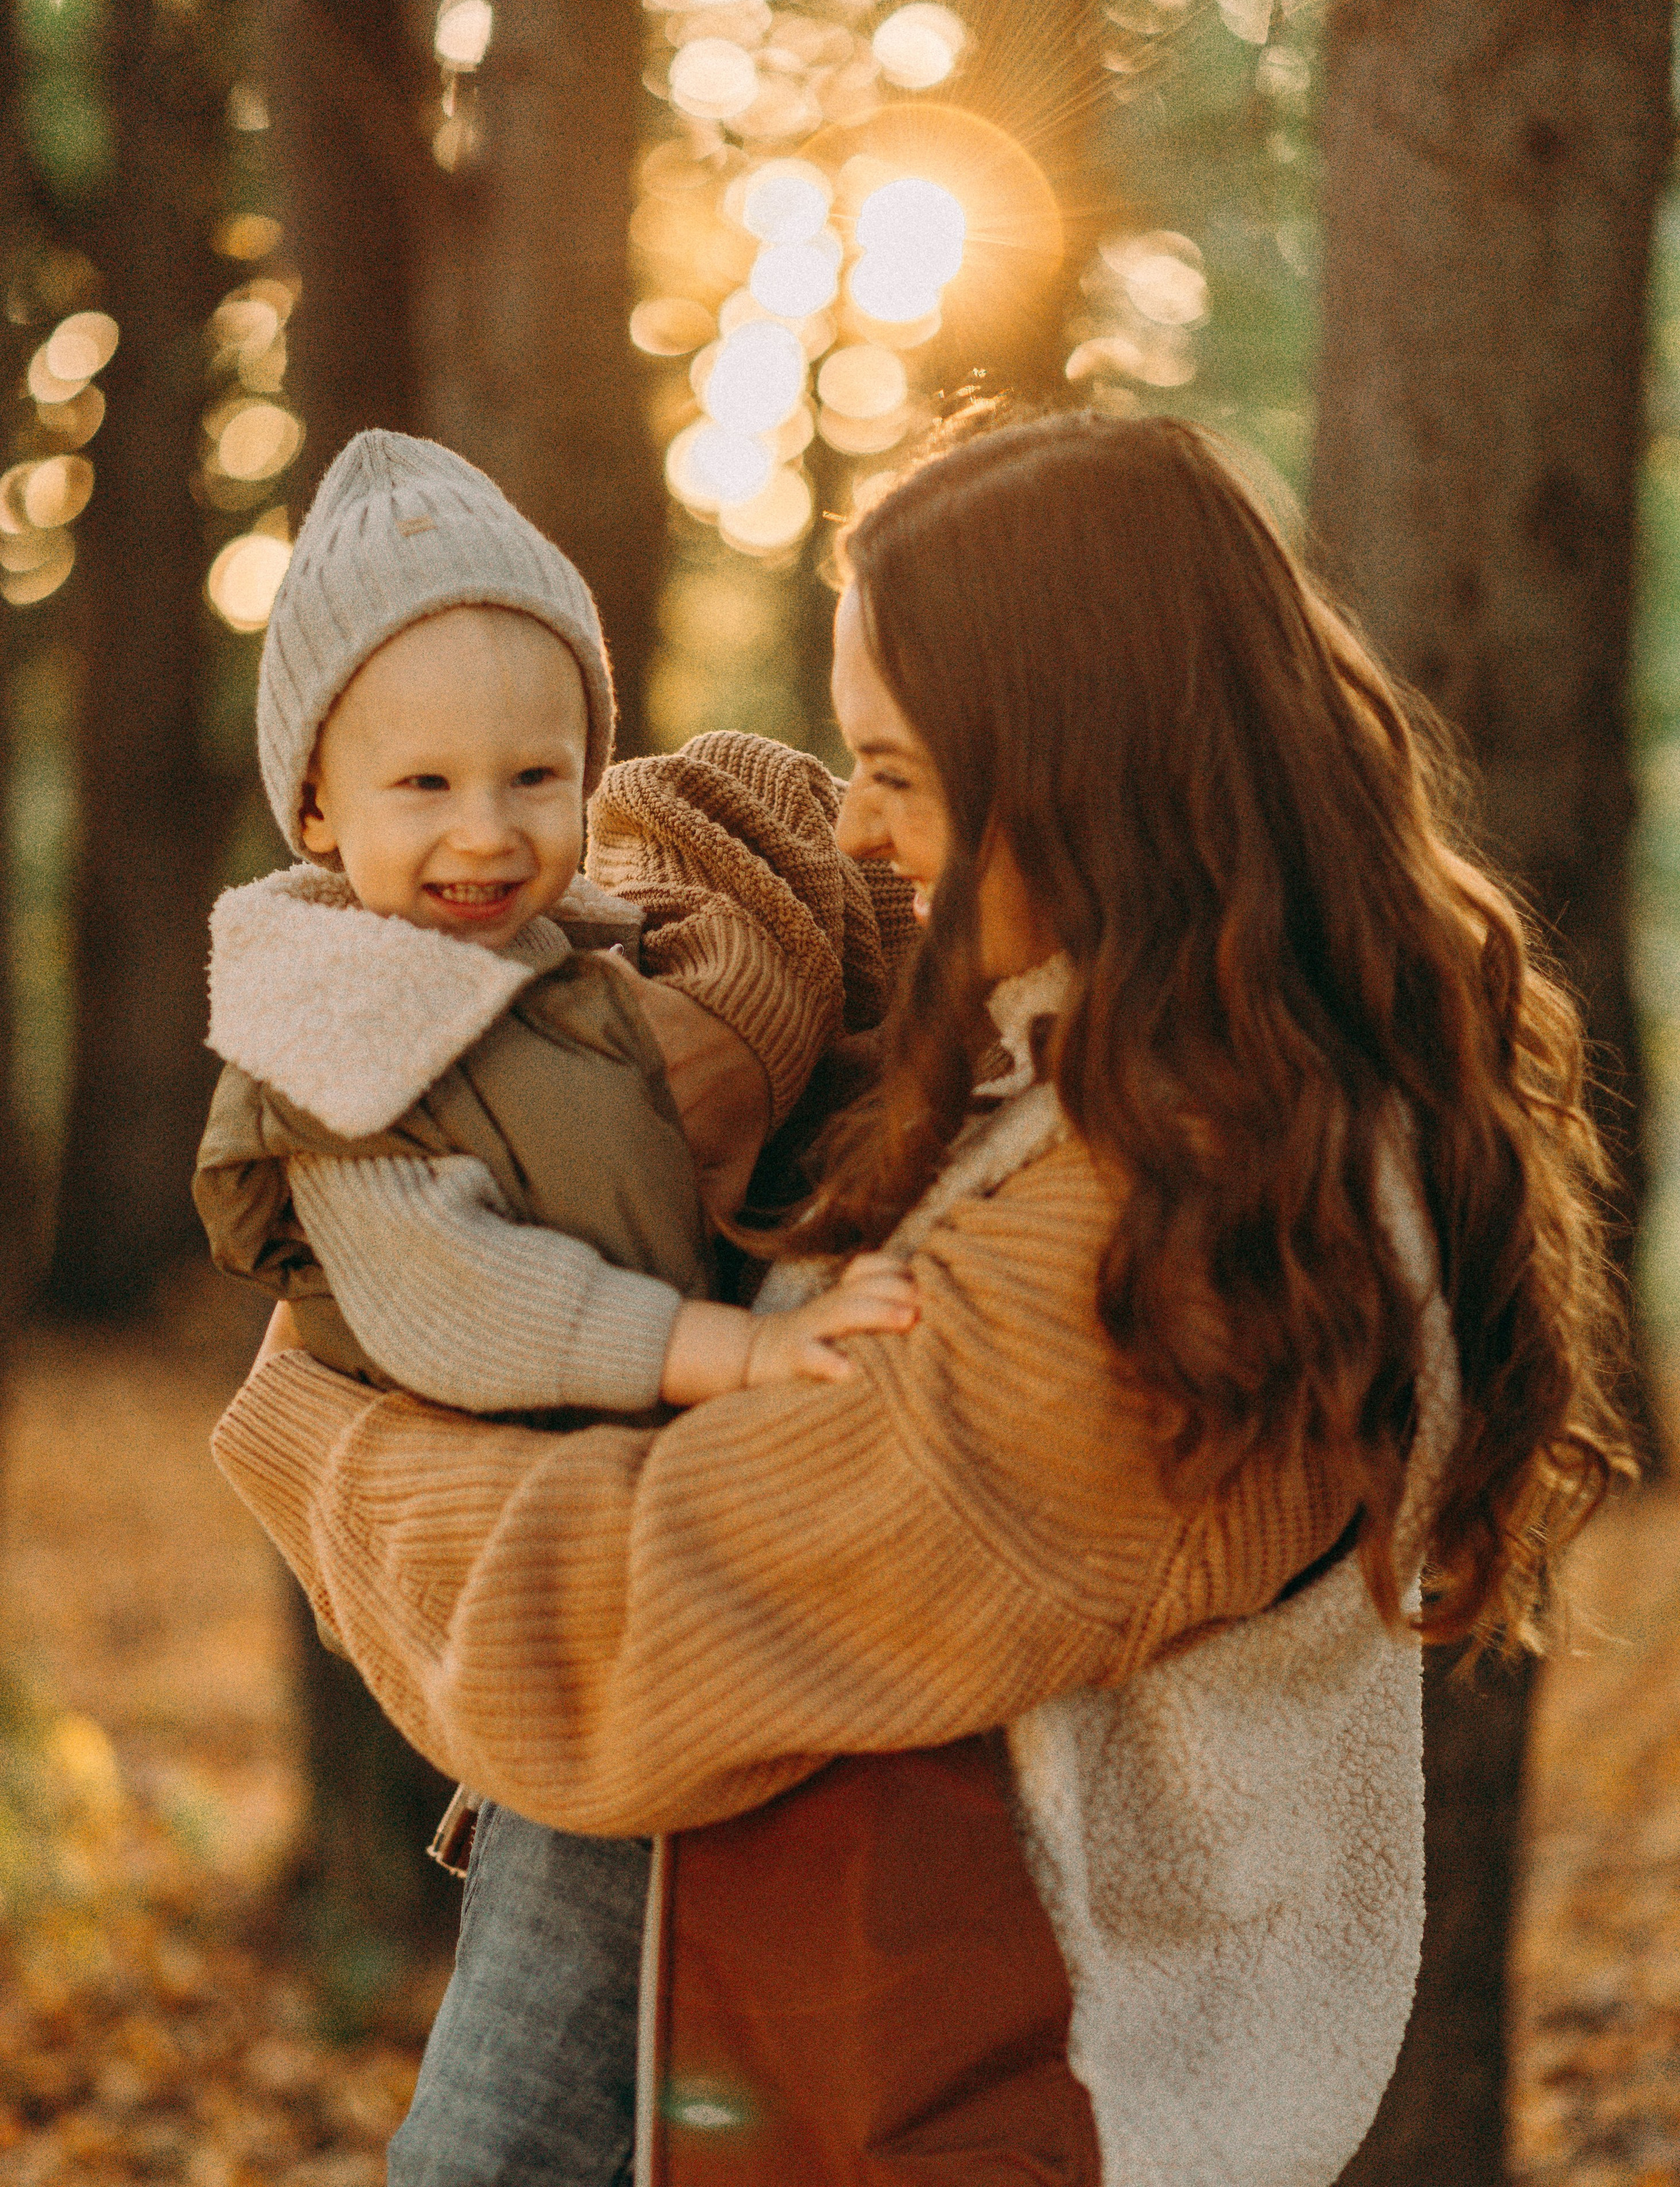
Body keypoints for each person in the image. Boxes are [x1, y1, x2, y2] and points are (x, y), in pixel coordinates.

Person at [214, 410, 1629, 2187]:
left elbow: (625, 1625)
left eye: (902, 767)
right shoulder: (1121, 1053)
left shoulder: (1170, 1235)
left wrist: (316, 1423)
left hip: (991, 2095)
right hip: (835, 2047)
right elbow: (721, 832)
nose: (864, 821)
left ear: (1077, 771)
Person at [193, 428, 917, 2187]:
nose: (486, 832)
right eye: (421, 788)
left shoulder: (587, 960)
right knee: (513, 2123)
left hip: (679, 1582)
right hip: (571, 1614)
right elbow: (463, 1303)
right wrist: (725, 1350)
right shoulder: (337, 1027)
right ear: (314, 810)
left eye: (537, 776)